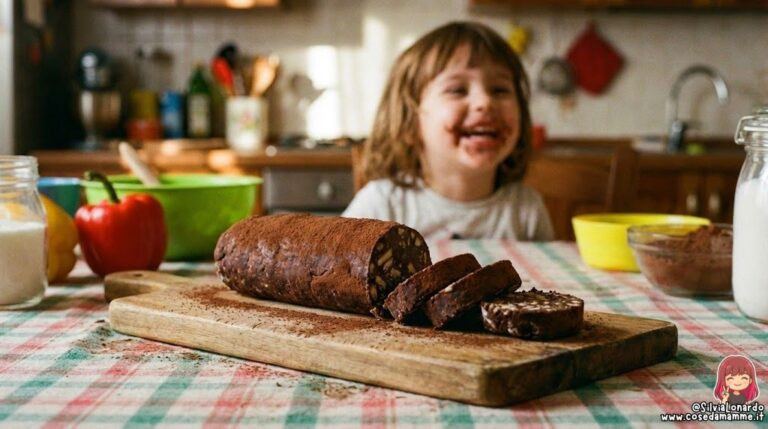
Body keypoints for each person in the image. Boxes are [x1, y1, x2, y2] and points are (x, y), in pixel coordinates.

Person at [342, 21, 553, 240]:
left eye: (500, 90)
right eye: (457, 90)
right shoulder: (382, 204)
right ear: (410, 122)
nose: (484, 102)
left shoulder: (526, 210)